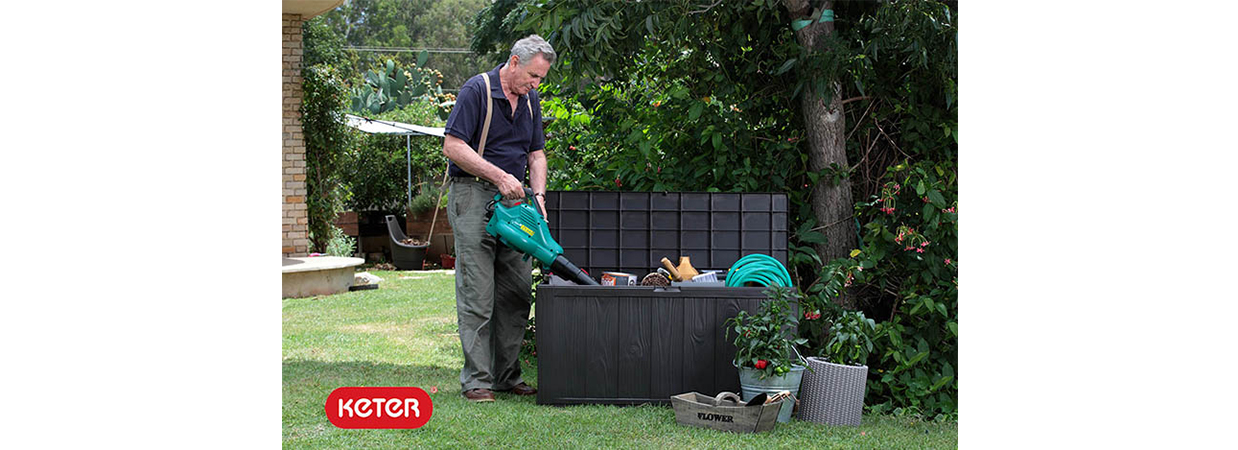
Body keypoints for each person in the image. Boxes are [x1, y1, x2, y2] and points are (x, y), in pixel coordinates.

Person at [441, 34, 555, 403]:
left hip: (516, 203)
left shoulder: (530, 101)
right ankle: (477, 380)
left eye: (540, 79)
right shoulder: (477, 90)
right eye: (533, 76)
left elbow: (536, 155)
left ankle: (507, 376)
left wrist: (537, 195)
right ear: (513, 62)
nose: (536, 85)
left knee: (518, 290)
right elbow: (453, 146)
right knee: (478, 293)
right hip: (474, 196)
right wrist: (500, 176)